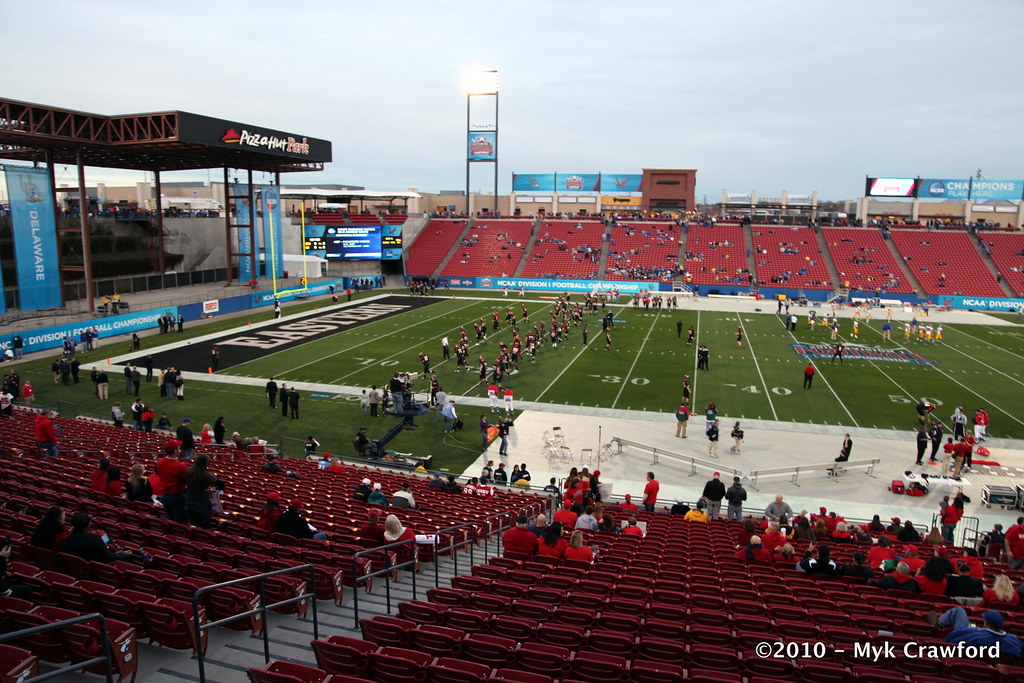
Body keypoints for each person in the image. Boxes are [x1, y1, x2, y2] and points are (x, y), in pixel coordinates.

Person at [934, 608, 1022, 658]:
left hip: (967, 664)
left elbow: (950, 641)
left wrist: (976, 630)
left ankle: (937, 622)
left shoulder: (971, 635)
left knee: (959, 611)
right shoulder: (1014, 641)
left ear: (986, 623)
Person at [59, 512, 131, 563]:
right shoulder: (94, 538)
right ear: (87, 526)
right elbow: (110, 557)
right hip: (95, 569)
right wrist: (123, 554)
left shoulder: (65, 541)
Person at [183, 454, 225, 528]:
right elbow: (222, 484)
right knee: (205, 526)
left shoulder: (188, 471)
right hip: (202, 503)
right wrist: (214, 490)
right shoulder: (206, 475)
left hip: (189, 500)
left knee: (193, 525)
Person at [157, 440, 188, 523]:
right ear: (175, 451)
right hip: (177, 496)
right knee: (180, 522)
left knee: (169, 521)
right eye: (178, 449)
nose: (179, 450)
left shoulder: (160, 462)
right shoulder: (180, 466)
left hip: (165, 495)